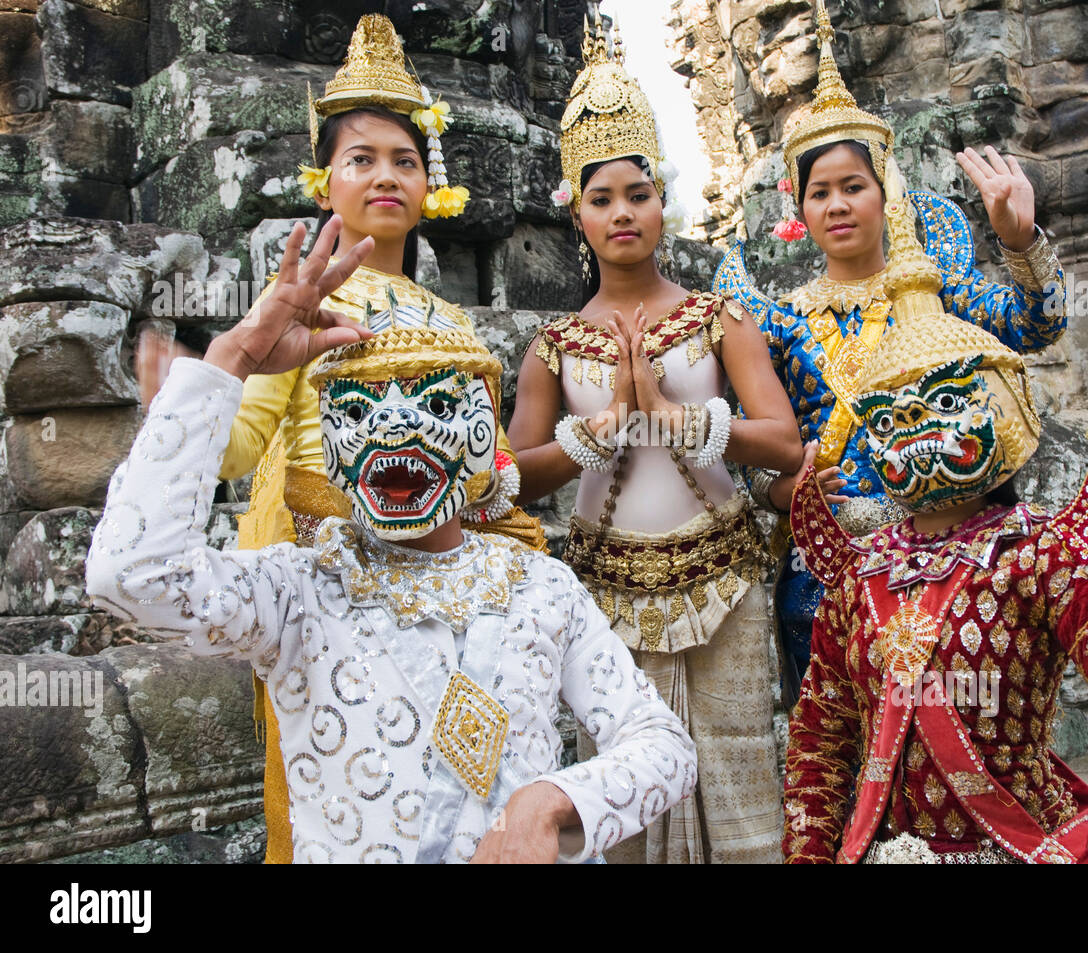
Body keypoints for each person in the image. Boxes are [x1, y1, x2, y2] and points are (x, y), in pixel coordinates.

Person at [85, 216, 697, 863]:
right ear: (332, 448)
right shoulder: (297, 591)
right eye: (357, 412)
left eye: (433, 407)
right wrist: (231, 358)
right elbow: (128, 576)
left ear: (483, 439)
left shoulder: (540, 585)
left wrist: (549, 804)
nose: (394, 429)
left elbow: (662, 742)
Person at [135, 14, 543, 863]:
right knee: (336, 785)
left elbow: (486, 465)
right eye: (361, 159)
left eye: (405, 160)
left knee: (454, 784)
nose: (386, 175)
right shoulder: (301, 308)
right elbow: (245, 446)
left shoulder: (450, 322)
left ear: (435, 185)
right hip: (329, 580)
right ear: (325, 182)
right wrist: (190, 401)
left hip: (444, 574)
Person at [781, 194, 1088, 863]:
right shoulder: (859, 578)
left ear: (1001, 408)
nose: (917, 435)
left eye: (945, 404)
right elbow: (818, 747)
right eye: (891, 420)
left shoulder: (1043, 556)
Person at [507, 20, 805, 864]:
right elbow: (512, 479)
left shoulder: (718, 317)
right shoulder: (554, 344)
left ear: (661, 199)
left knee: (742, 773)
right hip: (606, 594)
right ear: (577, 215)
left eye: (637, 194)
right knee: (624, 789)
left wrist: (676, 418)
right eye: (600, 199)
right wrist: (597, 433)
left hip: (726, 581)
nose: (622, 213)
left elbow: (784, 445)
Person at [713, 0, 1069, 690]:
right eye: (820, 193)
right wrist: (785, 488)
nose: (838, 205)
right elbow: (762, 459)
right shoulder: (778, 323)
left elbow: (1038, 326)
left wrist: (1021, 241)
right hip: (829, 569)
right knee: (841, 763)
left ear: (887, 193)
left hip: (951, 553)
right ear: (801, 212)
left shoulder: (936, 291)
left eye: (855, 186)